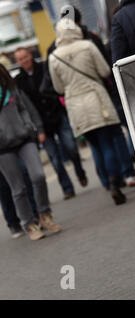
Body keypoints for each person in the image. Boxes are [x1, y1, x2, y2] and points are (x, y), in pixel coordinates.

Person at [46, 6, 135, 190]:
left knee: (94, 145)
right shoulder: (88, 44)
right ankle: (118, 179)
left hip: (74, 104)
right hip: (97, 98)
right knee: (108, 141)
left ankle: (106, 182)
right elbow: (105, 70)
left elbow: (58, 87)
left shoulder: (53, 56)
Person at [14, 47, 88, 200]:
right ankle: (67, 187)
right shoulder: (18, 81)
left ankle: (79, 170)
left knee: (71, 147)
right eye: (20, 59)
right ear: (18, 62)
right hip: (41, 125)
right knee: (54, 158)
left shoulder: (45, 68)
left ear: (30, 56)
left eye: (25, 57)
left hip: (57, 115)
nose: (24, 61)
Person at [0, 63, 61, 241]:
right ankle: (28, 223)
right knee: (18, 188)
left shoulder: (9, 86)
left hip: (24, 138)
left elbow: (25, 109)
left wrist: (30, 126)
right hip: (3, 148)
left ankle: (44, 213)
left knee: (38, 176)